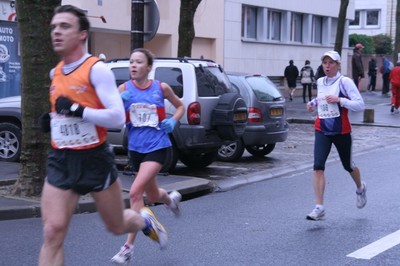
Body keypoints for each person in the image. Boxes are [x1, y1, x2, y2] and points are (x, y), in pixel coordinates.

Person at [38, 5, 168, 265]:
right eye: (54, 27)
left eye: (65, 26)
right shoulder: (55, 73)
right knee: (53, 231)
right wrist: (51, 121)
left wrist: (77, 110)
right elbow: (64, 112)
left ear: (82, 34)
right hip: (61, 159)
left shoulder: (95, 69)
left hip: (94, 159)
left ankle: (143, 219)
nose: (57, 32)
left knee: (117, 224)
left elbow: (117, 116)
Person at [111, 48, 185, 264]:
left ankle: (128, 248)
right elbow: (110, 114)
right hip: (135, 148)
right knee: (152, 195)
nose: (133, 65)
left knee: (135, 193)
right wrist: (118, 101)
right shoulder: (123, 88)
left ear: (149, 67)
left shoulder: (161, 87)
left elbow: (180, 106)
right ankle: (170, 200)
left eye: (139, 62)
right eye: (131, 62)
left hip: (157, 146)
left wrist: (173, 121)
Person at [305, 51, 367, 221]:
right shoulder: (320, 81)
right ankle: (319, 207)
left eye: (331, 63)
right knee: (318, 166)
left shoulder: (345, 82)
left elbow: (360, 105)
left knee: (348, 165)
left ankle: (360, 187)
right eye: (325, 62)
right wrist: (312, 104)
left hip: (341, 131)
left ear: (338, 65)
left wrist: (340, 100)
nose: (327, 66)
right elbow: (321, 99)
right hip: (322, 128)